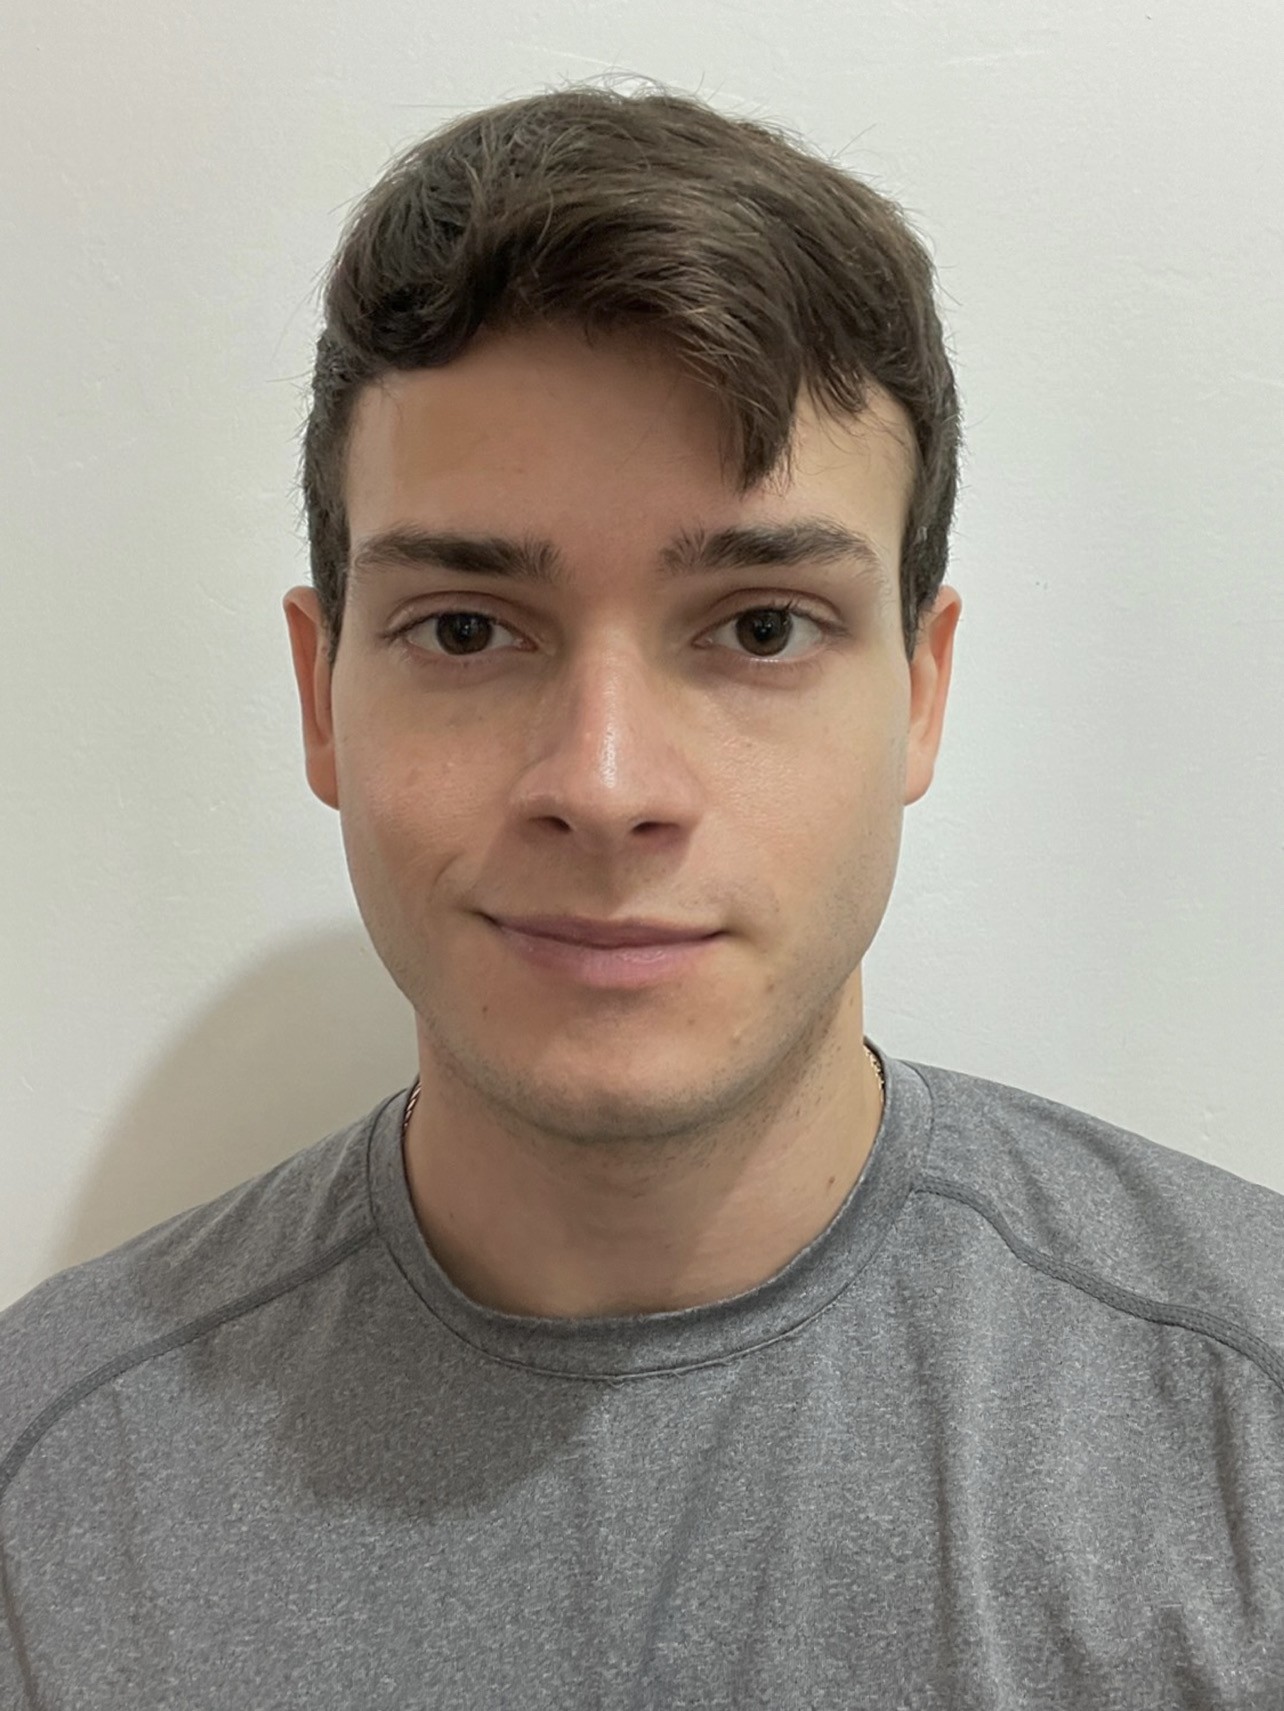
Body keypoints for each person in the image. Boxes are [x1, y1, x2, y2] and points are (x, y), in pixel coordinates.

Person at [3, 77, 1282, 1711]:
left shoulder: (1247, 1426)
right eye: (467, 629)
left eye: (761, 628)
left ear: (922, 693)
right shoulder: (51, 1492)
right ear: (323, 699)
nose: (605, 785)